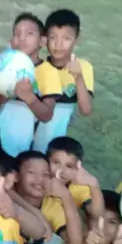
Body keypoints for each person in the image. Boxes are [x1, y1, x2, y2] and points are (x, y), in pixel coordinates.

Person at [0, 13, 61, 157]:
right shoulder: (0, 67)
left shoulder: (48, 72)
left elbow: (47, 115)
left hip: (23, 148)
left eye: (30, 33)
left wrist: (30, 97)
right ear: (11, 41)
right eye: (17, 34)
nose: (22, 38)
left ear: (42, 41)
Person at [32, 9, 94, 153]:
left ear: (77, 39)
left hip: (56, 144)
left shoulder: (83, 67)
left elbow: (86, 110)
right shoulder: (37, 68)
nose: (58, 44)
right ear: (44, 39)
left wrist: (78, 77)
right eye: (53, 37)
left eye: (66, 38)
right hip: (30, 138)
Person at [46, 136, 104, 223]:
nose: (61, 170)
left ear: (78, 168)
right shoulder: (39, 179)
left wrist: (94, 183)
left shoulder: (77, 187)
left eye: (69, 166)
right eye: (56, 162)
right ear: (46, 160)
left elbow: (97, 214)